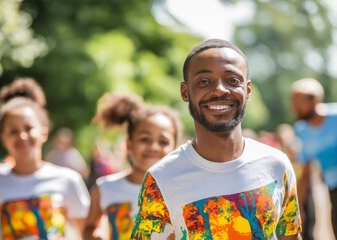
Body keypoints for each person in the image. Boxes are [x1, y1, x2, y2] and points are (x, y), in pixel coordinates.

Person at [131, 39, 302, 239]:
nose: (220, 89)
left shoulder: (276, 164)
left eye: (232, 80)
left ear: (247, 90)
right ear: (185, 92)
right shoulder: (161, 178)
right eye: (204, 82)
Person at [0, 78, 90, 239]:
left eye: (29, 128)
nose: (22, 136)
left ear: (44, 132)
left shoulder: (69, 180)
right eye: (13, 131)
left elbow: (90, 233)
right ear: (3, 138)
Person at [83, 92, 182, 240]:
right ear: (129, 144)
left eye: (163, 142)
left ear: (174, 147)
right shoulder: (105, 188)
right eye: (145, 139)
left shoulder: (182, 189)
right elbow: (89, 228)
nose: (154, 147)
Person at [291, 77, 337, 238]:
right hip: (332, 188)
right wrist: (299, 206)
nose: (294, 107)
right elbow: (306, 169)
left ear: (314, 100)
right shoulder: (301, 130)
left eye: (298, 101)